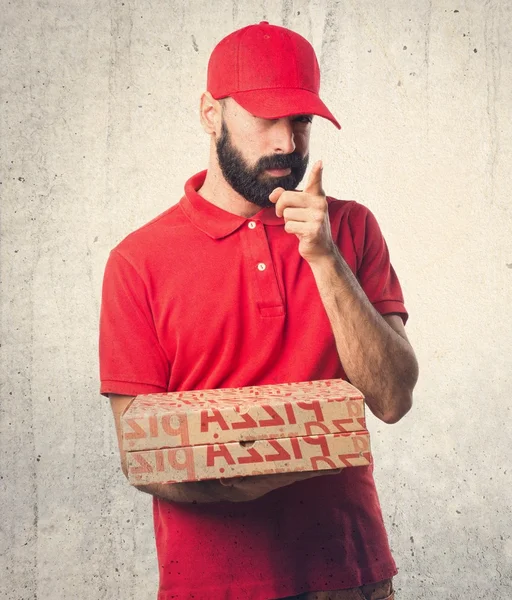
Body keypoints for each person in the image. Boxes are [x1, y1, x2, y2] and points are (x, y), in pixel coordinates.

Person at [99, 21, 418, 600]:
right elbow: (139, 455)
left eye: (300, 120)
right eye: (264, 117)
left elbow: (393, 399)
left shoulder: (350, 228)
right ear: (210, 114)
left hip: (350, 575)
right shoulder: (137, 261)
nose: (286, 143)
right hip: (210, 584)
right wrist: (253, 473)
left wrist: (324, 257)